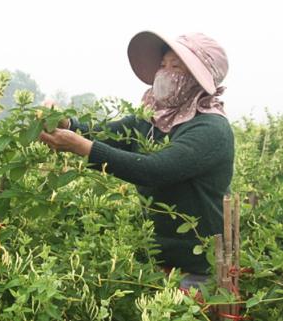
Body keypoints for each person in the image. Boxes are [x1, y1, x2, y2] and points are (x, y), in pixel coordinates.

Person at [39, 31, 234, 289]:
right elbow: (105, 134)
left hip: (200, 270)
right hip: (155, 262)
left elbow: (156, 170)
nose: (165, 73)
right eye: (163, 65)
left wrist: (81, 147)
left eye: (176, 67)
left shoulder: (211, 129)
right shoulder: (151, 119)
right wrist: (68, 123)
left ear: (199, 80)